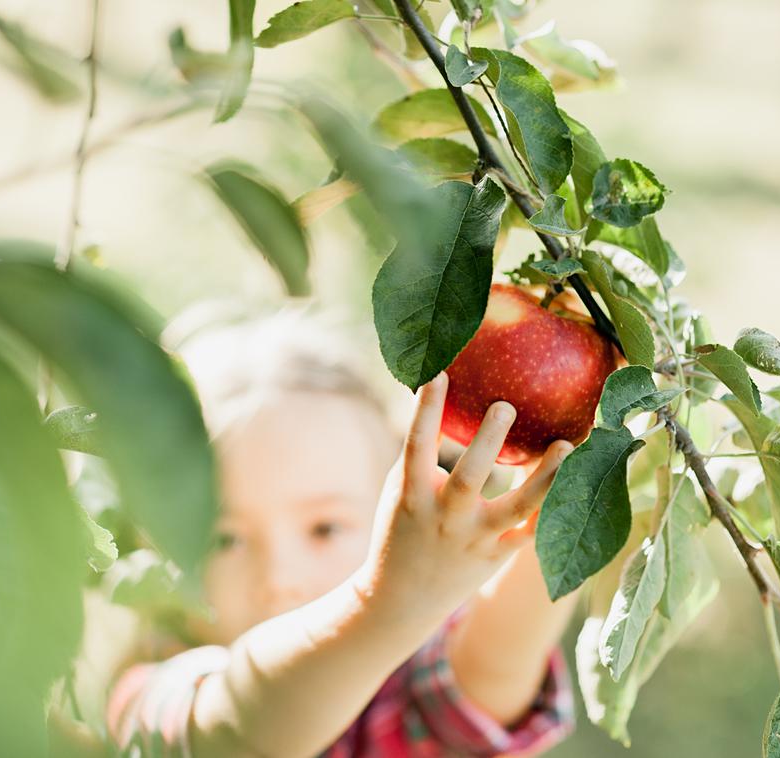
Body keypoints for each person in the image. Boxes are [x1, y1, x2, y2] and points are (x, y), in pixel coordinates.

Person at [104, 304, 578, 758]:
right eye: (223, 540)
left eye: (324, 529)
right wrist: (385, 602)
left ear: (391, 510)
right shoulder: (150, 697)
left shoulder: (408, 683)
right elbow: (244, 723)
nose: (279, 577)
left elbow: (492, 667)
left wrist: (572, 467)